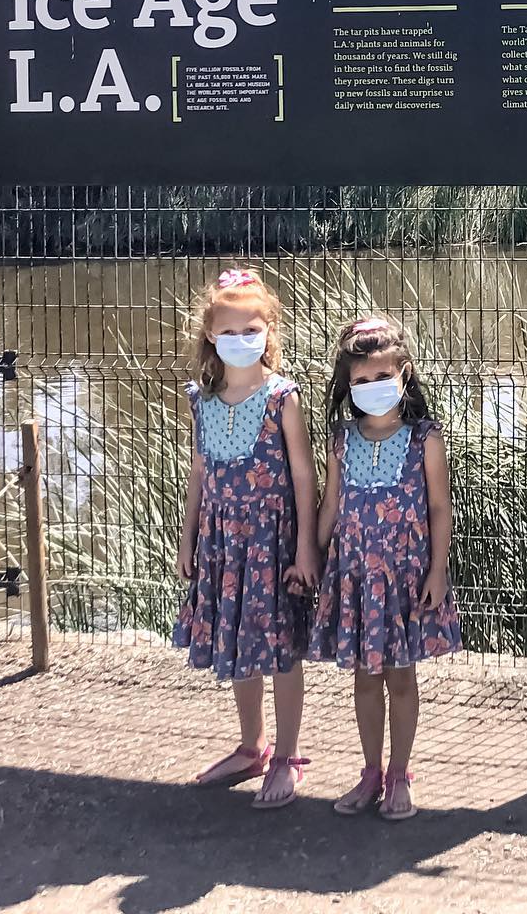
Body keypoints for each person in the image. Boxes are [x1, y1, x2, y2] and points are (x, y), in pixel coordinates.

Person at [173, 267, 320, 809]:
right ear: (210, 334)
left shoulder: (283, 397)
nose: (241, 340)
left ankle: (286, 755)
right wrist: (188, 538)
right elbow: (198, 473)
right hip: (223, 543)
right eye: (229, 331)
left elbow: (304, 475)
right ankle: (251, 745)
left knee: (281, 650)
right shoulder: (200, 399)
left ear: (269, 330)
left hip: (273, 542)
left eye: (250, 329)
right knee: (239, 643)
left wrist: (307, 547)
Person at [309, 315, 462, 820]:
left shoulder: (425, 439)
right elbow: (330, 504)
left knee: (400, 679)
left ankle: (400, 773)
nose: (372, 389)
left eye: (382, 378)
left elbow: (439, 508)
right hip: (353, 579)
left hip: (404, 582)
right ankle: (370, 771)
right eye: (361, 381)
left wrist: (437, 571)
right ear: (348, 385)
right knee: (364, 680)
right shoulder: (340, 440)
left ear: (405, 374)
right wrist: (309, 553)